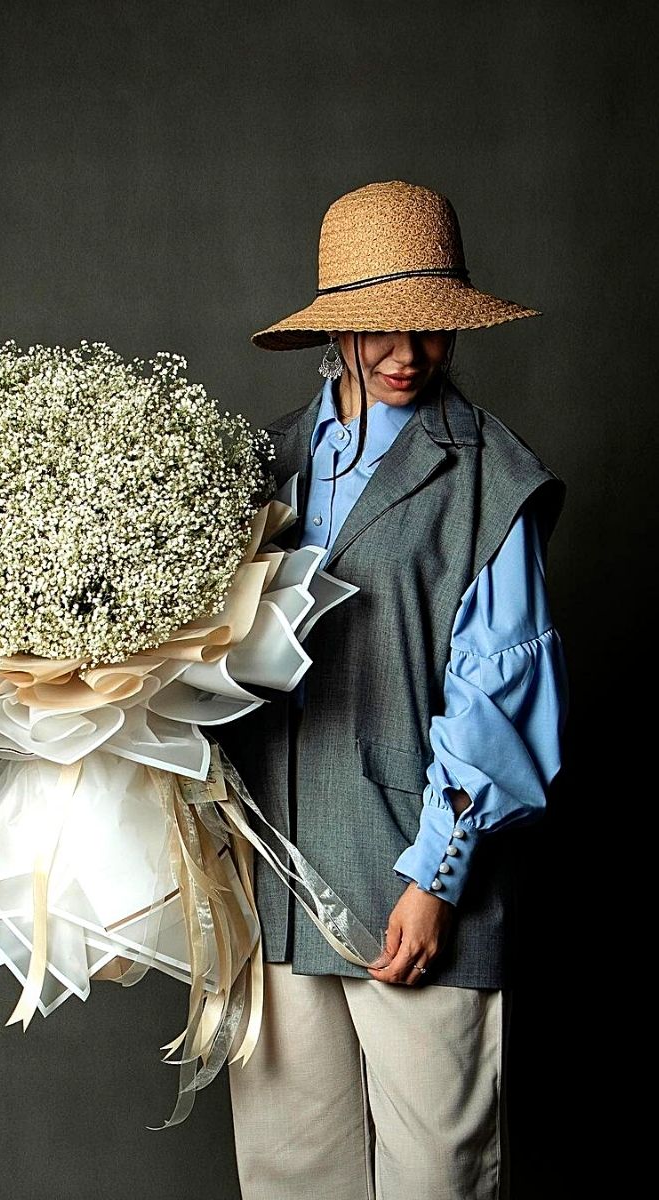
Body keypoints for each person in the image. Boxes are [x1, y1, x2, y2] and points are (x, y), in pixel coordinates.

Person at [218, 180, 568, 1200]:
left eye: (433, 328)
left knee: (437, 1178)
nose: (408, 352)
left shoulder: (488, 477)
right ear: (338, 327)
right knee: (289, 1176)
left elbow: (501, 685)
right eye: (383, 325)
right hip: (271, 879)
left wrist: (436, 879)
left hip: (416, 884)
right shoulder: (264, 466)